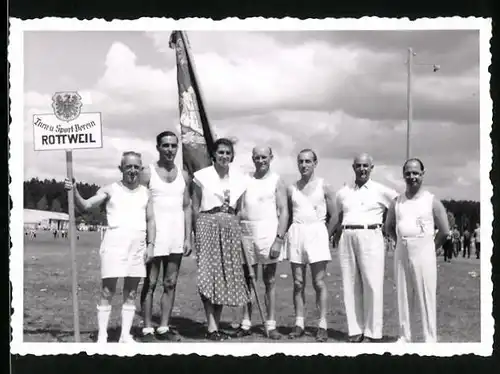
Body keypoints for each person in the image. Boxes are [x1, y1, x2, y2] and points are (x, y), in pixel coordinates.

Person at [64, 151, 155, 343]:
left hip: (138, 245)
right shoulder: (110, 189)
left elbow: (151, 220)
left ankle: (124, 336)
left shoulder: (146, 193)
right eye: (128, 166)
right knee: (107, 290)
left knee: (131, 292)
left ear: (141, 169)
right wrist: (75, 190)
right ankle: (103, 335)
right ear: (121, 168)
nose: (132, 170)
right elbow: (86, 206)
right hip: (114, 243)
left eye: (136, 167)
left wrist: (151, 245)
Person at [333, 153, 398, 343]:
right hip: (347, 236)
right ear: (353, 167)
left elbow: (398, 205)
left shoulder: (381, 190)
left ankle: (372, 332)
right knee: (350, 283)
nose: (362, 169)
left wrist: (390, 227)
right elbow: (338, 216)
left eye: (366, 166)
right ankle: (355, 329)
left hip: (371, 235)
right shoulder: (343, 192)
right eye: (358, 166)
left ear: (371, 168)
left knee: (372, 284)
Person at [192, 138, 250, 341]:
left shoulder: (240, 179)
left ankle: (214, 326)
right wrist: (196, 234)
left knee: (223, 278)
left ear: (232, 156)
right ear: (213, 155)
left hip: (230, 227)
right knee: (208, 275)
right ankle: (211, 326)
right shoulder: (202, 177)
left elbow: (240, 209)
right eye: (220, 152)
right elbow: (195, 207)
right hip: (207, 224)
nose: (224, 156)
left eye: (227, 153)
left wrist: (232, 224)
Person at [385, 158, 449, 343]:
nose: (412, 177)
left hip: (424, 250)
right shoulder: (397, 202)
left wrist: (430, 248)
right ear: (403, 175)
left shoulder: (432, 201)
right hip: (402, 250)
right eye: (408, 173)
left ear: (422, 174)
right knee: (403, 294)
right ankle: (405, 336)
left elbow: (444, 231)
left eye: (415, 173)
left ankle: (430, 338)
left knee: (425, 295)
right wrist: (400, 243)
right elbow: (389, 226)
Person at [139, 131, 192, 342]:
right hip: (154, 236)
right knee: (150, 283)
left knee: (170, 283)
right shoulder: (147, 172)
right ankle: (146, 329)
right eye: (165, 146)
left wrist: (188, 237)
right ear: (158, 147)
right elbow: (139, 204)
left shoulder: (184, 175)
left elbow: (187, 207)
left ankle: (163, 327)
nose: (170, 150)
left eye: (173, 146)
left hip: (176, 236)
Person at [236, 145, 289, 340]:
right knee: (249, 279)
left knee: (270, 280)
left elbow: (284, 211)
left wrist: (279, 239)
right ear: (252, 159)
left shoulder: (277, 181)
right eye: (257, 157)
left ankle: (271, 324)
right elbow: (240, 208)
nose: (260, 161)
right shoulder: (245, 180)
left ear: (271, 158)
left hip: (268, 233)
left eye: (264, 157)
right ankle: (246, 322)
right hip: (247, 232)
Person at [286, 149, 336, 342]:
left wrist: (325, 235)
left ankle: (322, 324)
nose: (304, 165)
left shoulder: (325, 186)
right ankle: (299, 323)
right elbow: (289, 215)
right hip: (298, 232)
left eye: (308, 161)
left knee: (319, 282)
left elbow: (336, 215)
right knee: (298, 282)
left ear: (315, 163)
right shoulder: (292, 188)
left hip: (317, 232)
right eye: (301, 161)